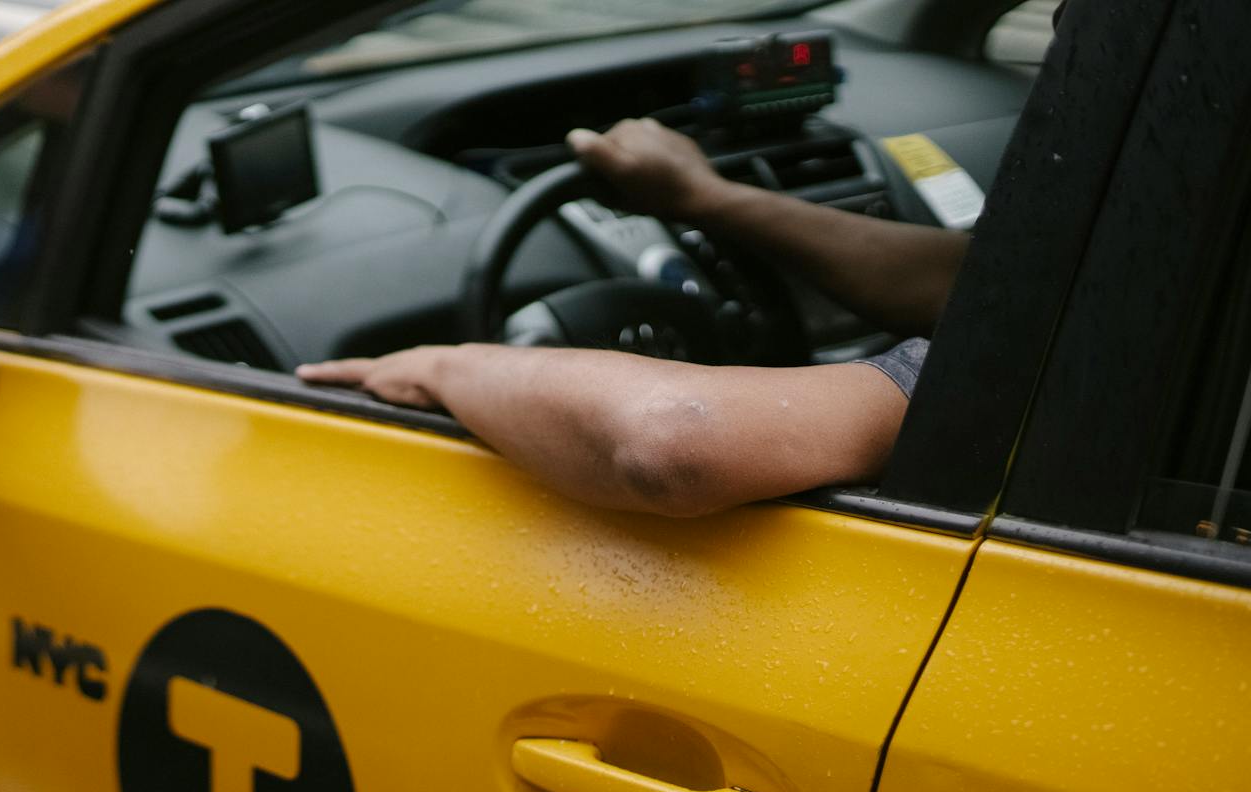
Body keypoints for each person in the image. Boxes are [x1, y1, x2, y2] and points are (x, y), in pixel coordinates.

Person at [297, 118, 973, 516]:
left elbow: (677, 442)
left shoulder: (1058, 362)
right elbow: (967, 279)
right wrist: (706, 197)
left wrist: (447, 366)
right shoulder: (1067, 300)